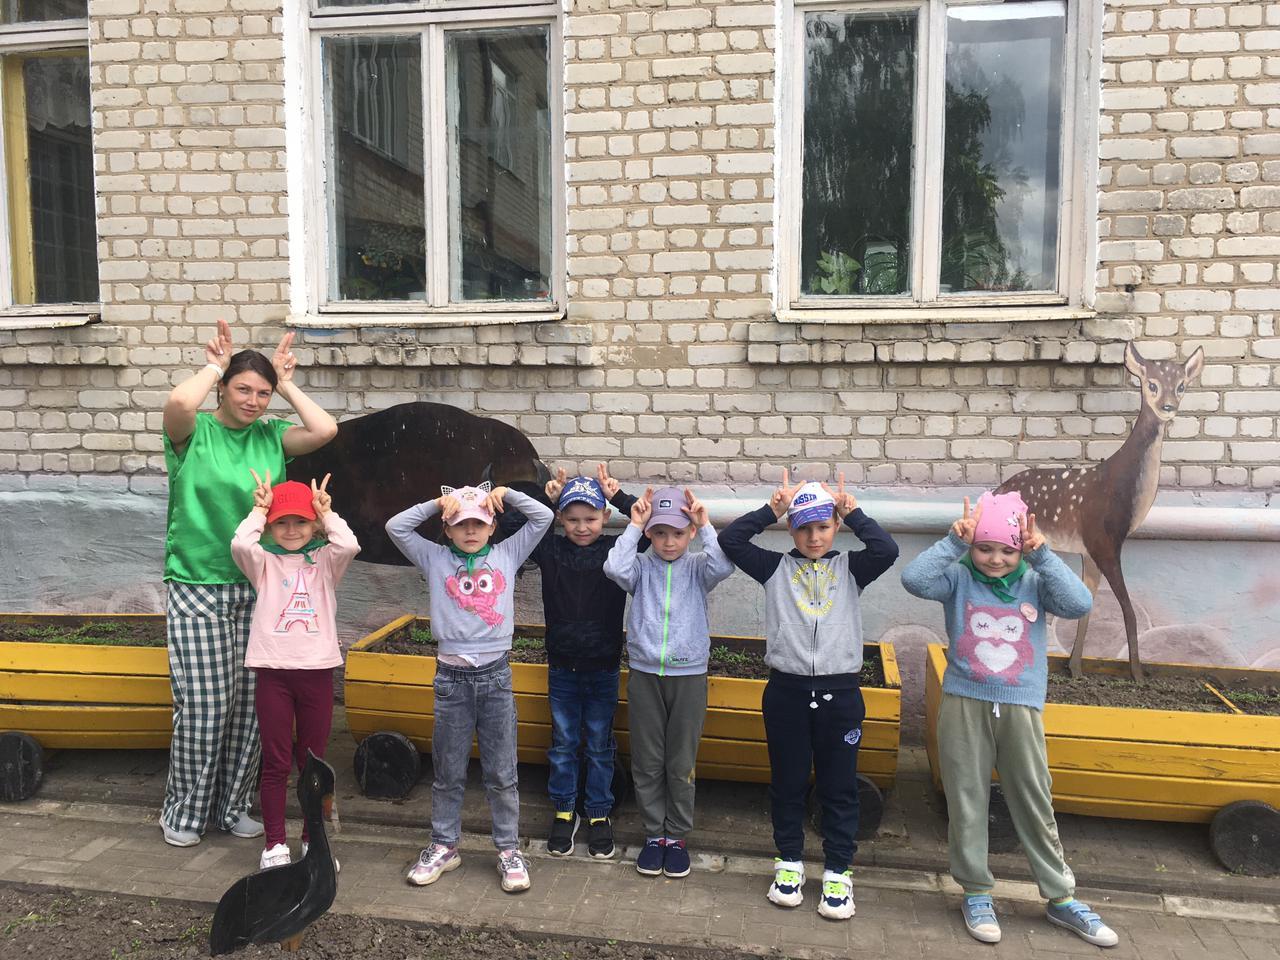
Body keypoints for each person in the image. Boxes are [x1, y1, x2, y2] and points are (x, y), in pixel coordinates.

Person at [900, 492, 1119, 948]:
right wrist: (953, 542)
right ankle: (976, 892)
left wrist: (1043, 555)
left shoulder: (1036, 582)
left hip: (1021, 706)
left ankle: (1061, 897)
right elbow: (914, 579)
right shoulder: (958, 578)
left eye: (1007, 550)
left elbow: (1079, 603)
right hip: (964, 702)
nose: (995, 559)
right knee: (967, 799)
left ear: (1021, 550)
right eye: (985, 548)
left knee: (1034, 798)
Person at [159, 319, 338, 847]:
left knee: (250, 711)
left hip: (261, 587)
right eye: (243, 389)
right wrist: (214, 365)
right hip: (197, 583)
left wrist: (287, 384)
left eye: (263, 393)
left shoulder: (272, 435)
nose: (253, 401)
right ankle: (184, 812)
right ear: (222, 389)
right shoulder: (192, 432)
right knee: (206, 705)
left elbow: (325, 430)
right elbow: (178, 401)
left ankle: (232, 806)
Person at [718, 471, 899, 921]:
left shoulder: (851, 568)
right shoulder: (774, 568)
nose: (814, 537)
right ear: (790, 530)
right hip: (787, 693)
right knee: (788, 784)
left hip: (841, 696)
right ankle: (789, 863)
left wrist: (853, 513)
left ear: (835, 526)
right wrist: (772, 510)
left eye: (823, 526)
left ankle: (838, 872)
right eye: (803, 528)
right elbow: (731, 540)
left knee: (839, 787)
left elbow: (887, 550)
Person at [386, 481, 553, 893]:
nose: (471, 531)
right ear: (447, 529)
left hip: (496, 677)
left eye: (479, 523)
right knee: (448, 771)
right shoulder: (434, 557)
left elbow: (544, 517)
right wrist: (435, 503)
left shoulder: (508, 553)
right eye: (461, 524)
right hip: (451, 681)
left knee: (501, 772)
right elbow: (395, 527)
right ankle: (444, 845)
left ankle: (508, 849)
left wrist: (507, 494)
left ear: (493, 526)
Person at [497, 464, 643, 860]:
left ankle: (598, 812)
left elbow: (647, 525)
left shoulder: (617, 549)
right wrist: (546, 499)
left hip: (603, 667)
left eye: (590, 518)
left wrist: (618, 496)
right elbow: (510, 525)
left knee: (599, 744)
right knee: (563, 744)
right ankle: (564, 810)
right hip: (562, 667)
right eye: (573, 519)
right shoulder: (551, 549)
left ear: (605, 518)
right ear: (561, 518)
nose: (581, 527)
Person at [603, 485, 734, 879]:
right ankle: (654, 835)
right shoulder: (641, 568)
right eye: (659, 533)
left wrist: (705, 525)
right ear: (649, 534)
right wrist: (634, 525)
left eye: (678, 533)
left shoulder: (698, 568)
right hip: (645, 674)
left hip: (688, 676)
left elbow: (723, 565)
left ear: (689, 533)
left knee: (680, 762)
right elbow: (614, 568)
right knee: (647, 761)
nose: (669, 542)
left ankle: (676, 836)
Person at [230, 472, 360, 870]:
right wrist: (259, 509)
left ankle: (311, 841)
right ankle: (274, 843)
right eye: (282, 522)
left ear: (313, 525)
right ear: (271, 526)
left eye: (300, 521)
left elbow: (349, 544)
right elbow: (241, 543)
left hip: (316, 673)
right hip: (273, 673)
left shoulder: (325, 562)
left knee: (313, 763)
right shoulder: (264, 563)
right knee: (275, 763)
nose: (291, 530)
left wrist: (327, 512)